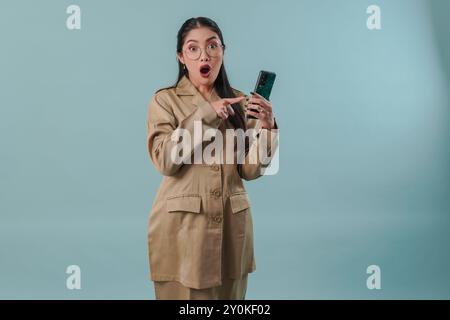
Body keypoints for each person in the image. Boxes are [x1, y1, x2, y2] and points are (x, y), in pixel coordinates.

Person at [146, 16, 279, 300]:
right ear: (181, 57)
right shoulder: (165, 101)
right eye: (193, 49)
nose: (204, 55)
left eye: (212, 46)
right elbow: (165, 161)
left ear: (222, 52)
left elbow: (251, 169)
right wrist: (208, 114)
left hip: (232, 230)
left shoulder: (241, 101)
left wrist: (267, 127)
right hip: (184, 229)